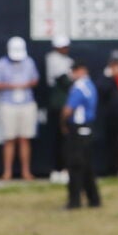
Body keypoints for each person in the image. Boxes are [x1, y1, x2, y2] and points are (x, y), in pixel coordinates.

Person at [0, 36, 39, 180]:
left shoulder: (29, 62)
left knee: (25, 139)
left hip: (27, 103)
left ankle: (26, 172)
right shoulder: (0, 64)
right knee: (9, 139)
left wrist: (26, 85)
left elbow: (35, 79)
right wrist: (11, 86)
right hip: (8, 104)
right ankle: (7, 172)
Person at [61, 62, 101, 209]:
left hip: (78, 129)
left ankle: (74, 201)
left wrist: (63, 124)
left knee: (75, 165)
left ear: (81, 70)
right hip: (88, 128)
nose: (73, 74)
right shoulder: (90, 85)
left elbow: (68, 109)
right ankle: (94, 199)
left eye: (75, 71)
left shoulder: (79, 86)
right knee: (87, 165)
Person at [44, 35, 74, 183]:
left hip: (68, 105)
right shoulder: (52, 59)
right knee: (57, 138)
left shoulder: (69, 61)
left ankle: (64, 169)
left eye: (66, 46)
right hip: (57, 106)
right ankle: (56, 169)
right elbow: (63, 80)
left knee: (66, 138)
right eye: (62, 47)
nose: (65, 49)